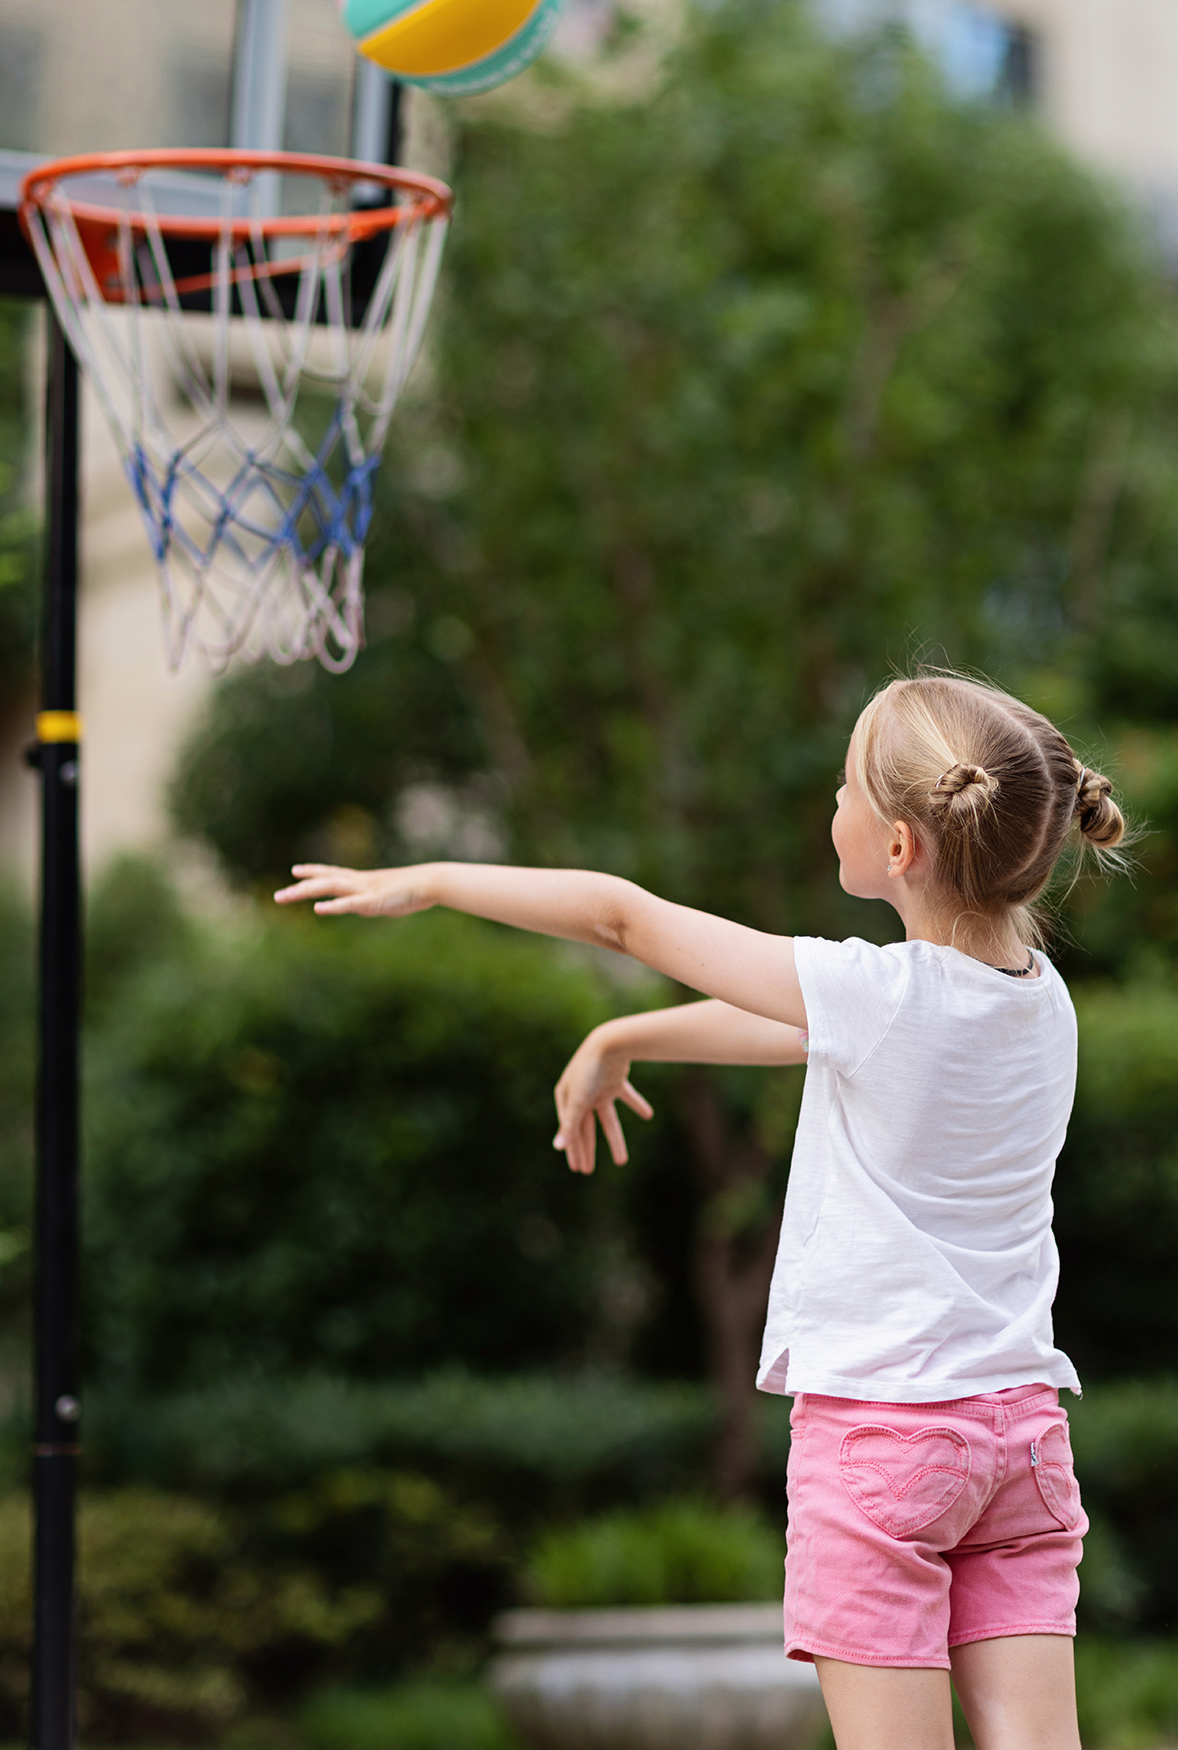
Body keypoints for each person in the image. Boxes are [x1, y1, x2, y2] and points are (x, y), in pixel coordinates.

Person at [276, 671, 1125, 1750]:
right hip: (1021, 1440)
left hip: (884, 1441)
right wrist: (624, 1037)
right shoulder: (1039, 1002)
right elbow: (796, 1026)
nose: (832, 806)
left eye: (843, 787)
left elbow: (620, 916)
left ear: (901, 846)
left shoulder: (877, 997)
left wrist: (436, 877)